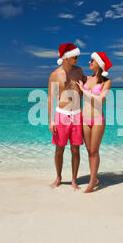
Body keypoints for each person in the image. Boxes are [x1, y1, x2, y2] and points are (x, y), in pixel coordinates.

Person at [48, 43, 86, 191]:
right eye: (75, 57)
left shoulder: (79, 71)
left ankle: (74, 180)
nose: (77, 59)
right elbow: (50, 97)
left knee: (75, 150)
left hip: (76, 115)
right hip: (61, 115)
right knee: (59, 149)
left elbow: (87, 83)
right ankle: (58, 177)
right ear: (66, 58)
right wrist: (51, 120)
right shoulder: (55, 75)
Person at [76, 52, 112, 193]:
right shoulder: (86, 79)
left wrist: (83, 91)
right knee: (89, 151)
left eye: (92, 61)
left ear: (99, 64)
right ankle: (95, 178)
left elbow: (101, 100)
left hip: (97, 120)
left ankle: (92, 182)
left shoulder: (106, 82)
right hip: (84, 120)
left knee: (94, 151)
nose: (89, 62)